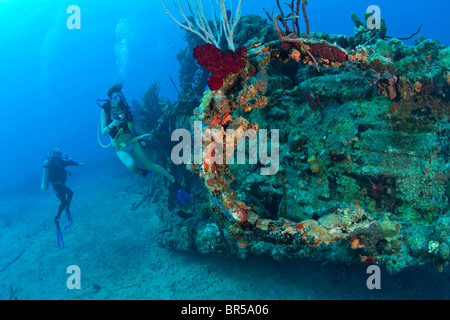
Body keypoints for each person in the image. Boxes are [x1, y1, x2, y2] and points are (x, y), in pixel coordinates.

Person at [99, 83, 175, 183]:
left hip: (132, 141)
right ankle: (141, 172)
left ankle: (171, 178)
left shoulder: (124, 108)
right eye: (115, 97)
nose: (118, 99)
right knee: (131, 166)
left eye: (120, 96)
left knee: (150, 165)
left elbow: (133, 123)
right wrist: (113, 123)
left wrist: (146, 134)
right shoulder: (105, 111)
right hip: (119, 147)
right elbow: (103, 132)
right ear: (110, 98)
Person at [42, 146, 83, 247]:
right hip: (57, 185)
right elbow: (66, 163)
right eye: (58, 154)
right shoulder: (53, 162)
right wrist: (70, 162)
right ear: (54, 154)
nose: (60, 155)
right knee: (70, 193)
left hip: (59, 185)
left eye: (60, 154)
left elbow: (68, 163)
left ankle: (57, 218)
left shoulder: (59, 161)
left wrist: (77, 163)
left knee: (63, 202)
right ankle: (67, 208)